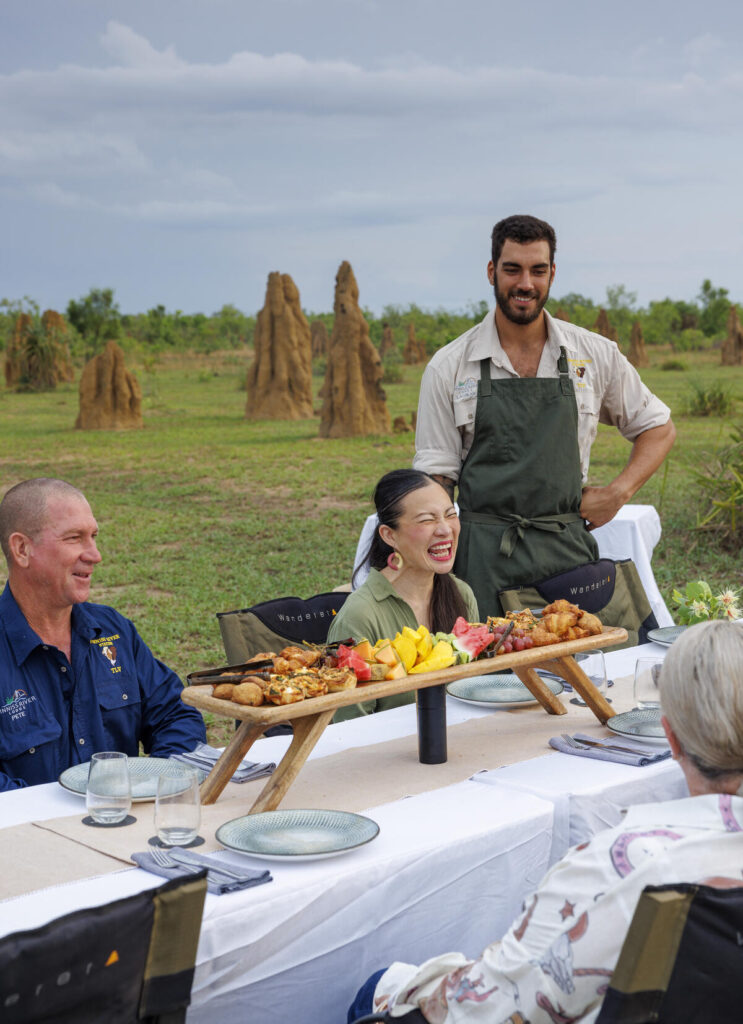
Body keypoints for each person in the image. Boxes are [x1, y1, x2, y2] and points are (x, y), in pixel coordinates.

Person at [348, 619, 743, 1023]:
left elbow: (495, 1006)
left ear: (671, 739)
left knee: (379, 989)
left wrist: (407, 986)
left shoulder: (618, 867)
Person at [413, 214, 676, 617]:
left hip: (567, 551)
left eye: (538, 270)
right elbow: (436, 479)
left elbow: (658, 427)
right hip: (483, 559)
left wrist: (616, 494)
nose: (525, 284)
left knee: (577, 669)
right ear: (491, 272)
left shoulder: (594, 354)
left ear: (552, 273)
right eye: (512, 269)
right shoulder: (450, 366)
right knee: (488, 675)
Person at [0, 478, 206, 791]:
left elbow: (175, 716)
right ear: (22, 549)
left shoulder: (113, 630)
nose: (95, 555)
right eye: (74, 538)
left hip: (124, 824)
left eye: (94, 537)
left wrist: (155, 784)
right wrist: (59, 816)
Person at [328, 469, 478, 719]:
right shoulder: (360, 616)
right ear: (389, 535)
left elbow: (475, 691)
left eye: (450, 515)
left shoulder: (462, 594)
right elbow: (346, 725)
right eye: (426, 520)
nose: (445, 530)